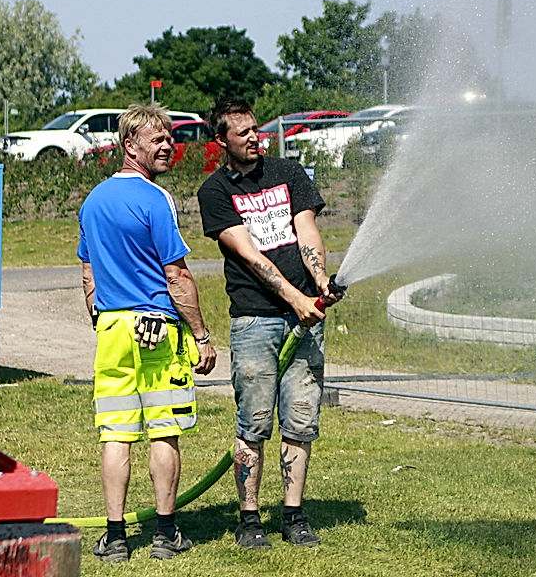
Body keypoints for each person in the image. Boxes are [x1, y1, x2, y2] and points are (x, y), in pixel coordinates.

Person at [197, 96, 342, 549]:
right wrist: (297, 299)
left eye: (255, 130)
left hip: (303, 320)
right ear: (221, 141)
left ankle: (294, 515)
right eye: (242, 134)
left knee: (301, 419)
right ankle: (249, 518)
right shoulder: (215, 192)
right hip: (255, 321)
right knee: (254, 421)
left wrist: (319, 283)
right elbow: (249, 255)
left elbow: (307, 231)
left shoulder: (289, 173)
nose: (254, 139)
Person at [77, 102, 217, 563]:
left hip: (113, 328)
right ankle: (165, 533)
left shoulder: (93, 200)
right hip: (155, 327)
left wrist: (98, 314)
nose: (168, 146)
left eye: (169, 138)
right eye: (157, 139)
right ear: (129, 145)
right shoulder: (156, 199)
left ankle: (115, 537)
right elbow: (175, 275)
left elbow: (87, 268)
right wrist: (200, 334)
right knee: (164, 429)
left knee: (115, 433)